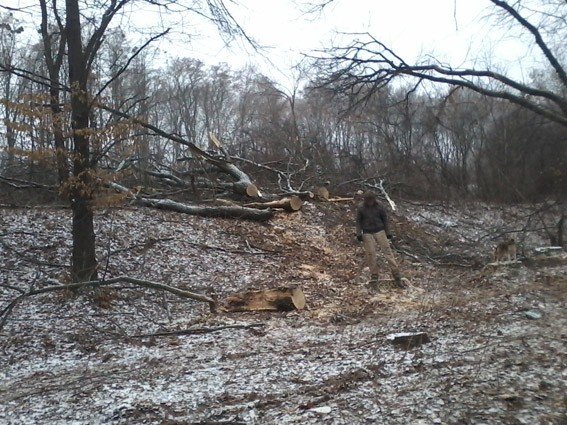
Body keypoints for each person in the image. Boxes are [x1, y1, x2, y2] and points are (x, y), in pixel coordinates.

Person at [356, 191, 403, 288]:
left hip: (380, 230)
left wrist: (388, 232)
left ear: (374, 199)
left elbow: (385, 219)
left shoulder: (379, 206)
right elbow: (358, 222)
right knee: (371, 254)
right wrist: (358, 233)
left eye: (371, 200)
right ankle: (374, 276)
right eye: (367, 200)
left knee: (388, 252)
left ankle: (397, 275)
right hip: (367, 232)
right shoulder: (361, 207)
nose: (369, 202)